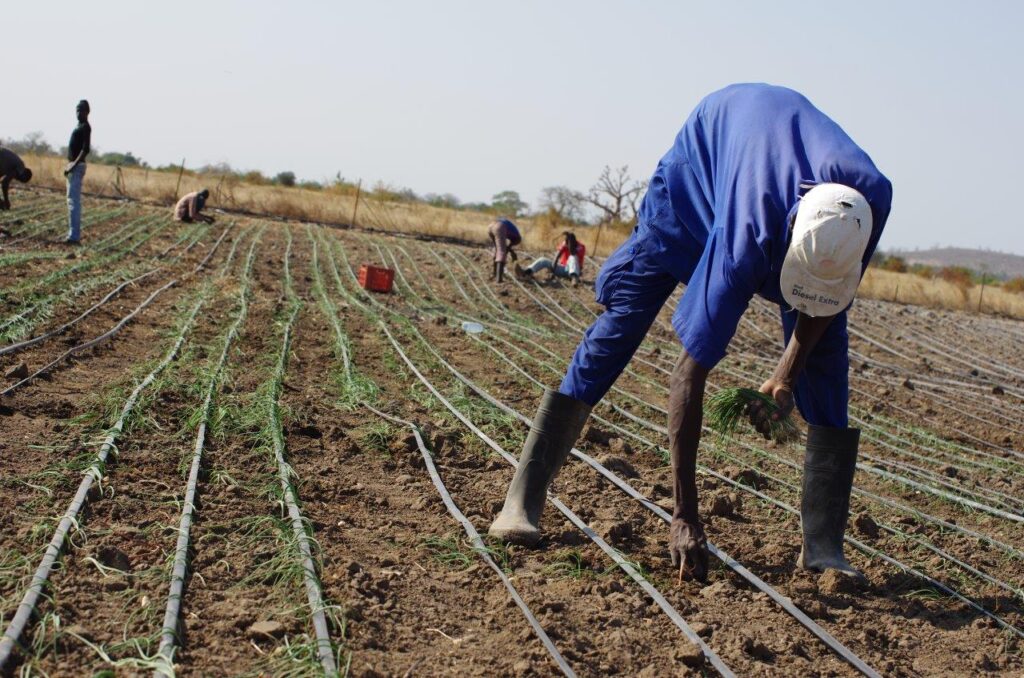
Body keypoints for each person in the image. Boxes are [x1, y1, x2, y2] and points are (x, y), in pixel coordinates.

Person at [488, 84, 893, 583]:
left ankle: (824, 545)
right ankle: (522, 498)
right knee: (622, 326)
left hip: (771, 173)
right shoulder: (748, 237)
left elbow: (831, 290)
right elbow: (689, 371)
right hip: (694, 183)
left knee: (826, 364)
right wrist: (685, 516)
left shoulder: (870, 199)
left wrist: (787, 375)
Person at [64, 99, 91, 244]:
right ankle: (72, 234)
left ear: (87, 112)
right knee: (71, 201)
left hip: (77, 166)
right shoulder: (79, 125)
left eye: (81, 110)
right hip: (73, 166)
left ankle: (74, 236)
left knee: (73, 202)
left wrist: (73, 164)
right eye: (77, 110)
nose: (78, 113)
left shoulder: (85, 127)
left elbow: (85, 149)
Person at [518, 231, 586, 286]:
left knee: (572, 257)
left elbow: (572, 253)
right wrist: (553, 271)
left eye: (569, 242)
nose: (567, 245)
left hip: (575, 270)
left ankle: (574, 278)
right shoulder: (565, 243)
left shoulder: (581, 247)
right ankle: (527, 272)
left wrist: (570, 243)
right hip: (563, 269)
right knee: (543, 260)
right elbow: (557, 257)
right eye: (567, 242)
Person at [0, 147, 33, 229]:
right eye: (20, 180)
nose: (16, 179)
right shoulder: (20, 168)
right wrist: (6, 201)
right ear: (23, 176)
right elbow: (4, 183)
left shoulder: (14, 165)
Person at [487, 217, 522, 283]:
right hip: (499, 227)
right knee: (501, 252)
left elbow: (508, 247)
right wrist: (512, 253)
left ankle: (494, 273)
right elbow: (507, 248)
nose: (513, 244)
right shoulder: (517, 238)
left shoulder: (513, 232)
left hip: (491, 226)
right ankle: (499, 279)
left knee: (497, 250)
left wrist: (510, 250)